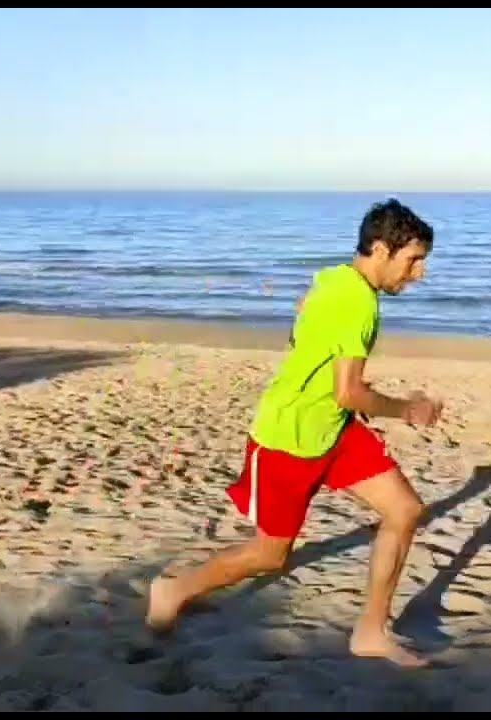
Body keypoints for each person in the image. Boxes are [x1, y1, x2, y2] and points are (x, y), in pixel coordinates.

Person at [145, 198, 442, 669]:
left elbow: (304, 325)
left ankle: (369, 632)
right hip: (289, 438)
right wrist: (407, 408)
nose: (419, 273)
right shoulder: (359, 302)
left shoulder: (335, 278)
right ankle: (173, 589)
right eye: (414, 260)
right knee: (269, 555)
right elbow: (349, 393)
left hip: (333, 429)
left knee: (404, 510)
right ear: (383, 250)